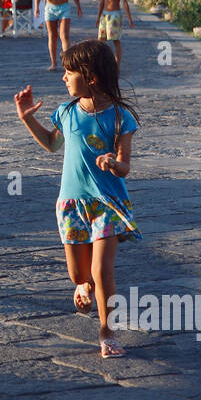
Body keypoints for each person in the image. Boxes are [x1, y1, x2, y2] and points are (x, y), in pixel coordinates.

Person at [14, 40, 140, 359]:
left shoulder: (120, 117)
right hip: (71, 205)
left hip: (107, 204)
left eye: (69, 72)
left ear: (91, 77)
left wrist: (114, 163)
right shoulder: (67, 112)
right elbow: (51, 144)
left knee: (102, 272)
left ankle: (107, 333)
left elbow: (125, 166)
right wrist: (28, 118)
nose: (63, 78)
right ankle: (83, 287)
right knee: (79, 275)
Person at [96, 0, 135, 73]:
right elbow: (102, 2)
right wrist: (98, 17)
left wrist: (130, 19)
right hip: (105, 15)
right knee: (100, 40)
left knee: (115, 40)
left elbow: (125, 2)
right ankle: (101, 64)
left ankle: (117, 65)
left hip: (114, 16)